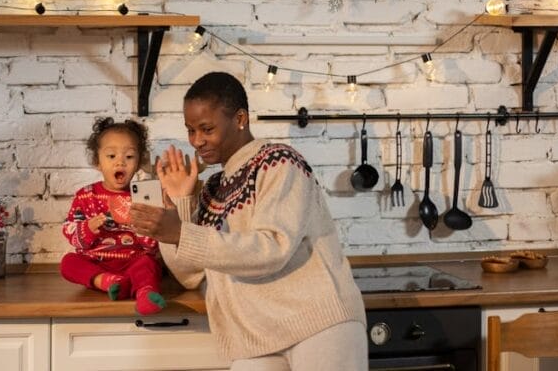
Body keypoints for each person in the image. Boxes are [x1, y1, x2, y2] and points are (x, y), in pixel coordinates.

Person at [129, 72, 367, 370]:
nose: (197, 141)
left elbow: (272, 248)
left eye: (207, 128)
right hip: (254, 334)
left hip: (317, 324)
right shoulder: (212, 188)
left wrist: (181, 232)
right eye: (191, 130)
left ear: (240, 118)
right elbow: (190, 275)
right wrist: (181, 203)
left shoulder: (280, 162)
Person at [60, 117, 166, 316]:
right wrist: (88, 228)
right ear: (96, 161)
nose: (120, 161)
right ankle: (107, 282)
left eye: (129, 156)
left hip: (133, 260)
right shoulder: (86, 195)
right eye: (111, 156)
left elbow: (153, 244)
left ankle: (145, 293)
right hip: (97, 262)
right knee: (68, 262)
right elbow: (70, 232)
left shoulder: (145, 196)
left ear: (140, 161)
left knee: (149, 264)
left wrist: (140, 226)